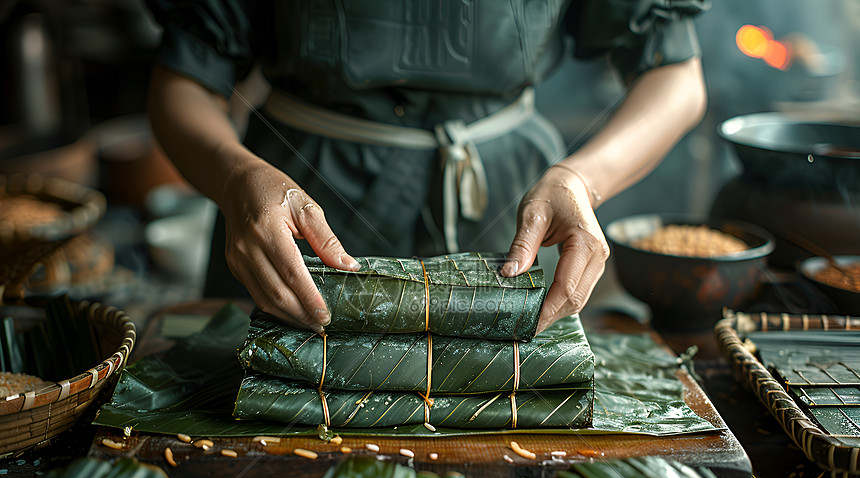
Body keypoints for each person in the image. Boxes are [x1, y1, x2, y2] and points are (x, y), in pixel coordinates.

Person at [146, 0, 708, 334]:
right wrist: (235, 176)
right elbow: (185, 80)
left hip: (517, 207)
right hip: (299, 206)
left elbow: (676, 77)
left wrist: (584, 178)